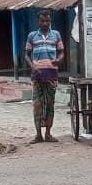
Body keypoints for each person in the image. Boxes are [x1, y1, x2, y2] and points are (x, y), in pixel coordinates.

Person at [24, 11, 64, 144]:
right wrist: (32, 66)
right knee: (37, 105)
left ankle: (48, 134)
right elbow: (26, 55)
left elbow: (62, 52)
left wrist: (58, 60)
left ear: (50, 21)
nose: (45, 23)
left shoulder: (56, 35)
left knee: (50, 105)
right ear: (38, 22)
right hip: (37, 76)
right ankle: (38, 135)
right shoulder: (32, 36)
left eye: (47, 21)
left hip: (52, 75)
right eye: (42, 21)